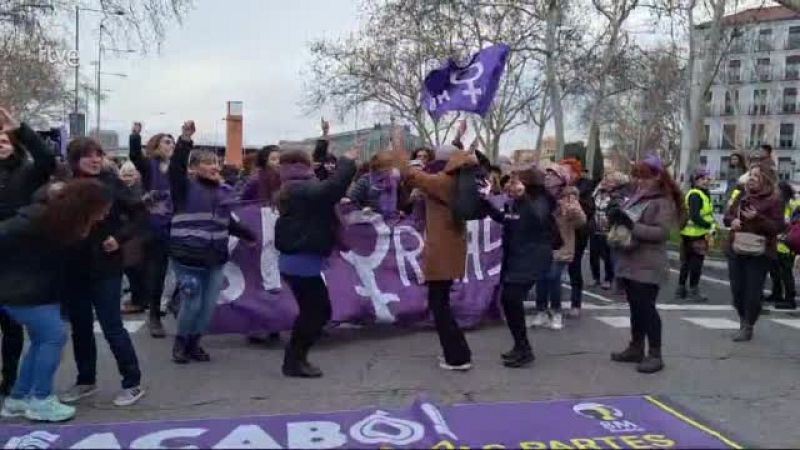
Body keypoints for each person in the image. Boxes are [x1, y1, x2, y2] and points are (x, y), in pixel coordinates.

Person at [0, 179, 112, 422]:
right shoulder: (40, 219)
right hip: (24, 291)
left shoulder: (59, 220)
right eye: (102, 210)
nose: (104, 216)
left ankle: (20, 397)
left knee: (43, 339)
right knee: (53, 336)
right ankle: (41, 399)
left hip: (36, 290)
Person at [61, 137, 147, 407]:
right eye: (88, 155)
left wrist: (119, 238)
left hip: (106, 267)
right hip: (73, 266)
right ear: (75, 159)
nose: (95, 160)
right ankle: (86, 380)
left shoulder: (113, 184)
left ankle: (132, 382)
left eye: (98, 154)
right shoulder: (63, 186)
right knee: (81, 327)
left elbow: (140, 215)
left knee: (112, 326)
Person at [168, 141, 257, 364]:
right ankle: (180, 344)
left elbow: (228, 222)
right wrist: (185, 141)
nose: (214, 167)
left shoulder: (223, 192)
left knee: (208, 307)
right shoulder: (184, 188)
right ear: (194, 168)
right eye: (208, 163)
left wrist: (249, 236)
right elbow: (175, 167)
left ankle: (194, 344)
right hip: (187, 258)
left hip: (214, 259)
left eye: (216, 163)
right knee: (193, 303)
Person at [275, 145, 359, 378]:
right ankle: (294, 360)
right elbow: (330, 190)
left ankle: (296, 358)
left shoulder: (294, 186)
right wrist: (347, 161)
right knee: (316, 312)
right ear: (305, 164)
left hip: (301, 259)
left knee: (315, 311)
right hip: (301, 260)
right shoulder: (300, 188)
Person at [402, 144, 478, 371]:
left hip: (441, 251)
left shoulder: (444, 182)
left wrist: (402, 155)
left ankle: (457, 357)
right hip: (451, 249)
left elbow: (414, 176)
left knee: (440, 306)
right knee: (442, 303)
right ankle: (459, 352)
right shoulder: (459, 179)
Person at [0, 107, 55, 401]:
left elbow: (47, 159)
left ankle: (11, 385)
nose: (0, 143)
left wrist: (20, 127)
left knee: (12, 331)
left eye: (5, 139)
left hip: (15, 264)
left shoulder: (27, 174)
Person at [609, 155, 683, 374]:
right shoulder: (637, 197)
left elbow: (662, 233)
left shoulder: (663, 201)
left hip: (649, 262)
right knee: (635, 307)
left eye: (645, 177)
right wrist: (615, 216)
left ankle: (655, 353)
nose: (640, 181)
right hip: (630, 259)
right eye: (638, 177)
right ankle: (636, 346)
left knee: (647, 308)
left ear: (658, 177)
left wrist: (631, 224)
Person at [486, 168, 556, 367]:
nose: (509, 185)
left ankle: (524, 349)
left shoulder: (542, 200)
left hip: (532, 258)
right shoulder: (516, 203)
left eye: (515, 182)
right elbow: (508, 220)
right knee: (509, 301)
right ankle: (520, 345)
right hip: (516, 256)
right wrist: (487, 207)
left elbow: (537, 217)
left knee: (511, 297)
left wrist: (523, 198)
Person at [724, 165, 783, 341]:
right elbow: (728, 216)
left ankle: (748, 325)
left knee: (753, 291)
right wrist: (732, 221)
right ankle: (743, 320)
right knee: (737, 290)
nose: (751, 178)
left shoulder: (774, 200)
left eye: (756, 176)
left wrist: (757, 218)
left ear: (765, 179)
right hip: (736, 247)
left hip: (759, 252)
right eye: (750, 175)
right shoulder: (742, 195)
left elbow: (778, 227)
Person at [129, 123, 177, 337]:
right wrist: (135, 136)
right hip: (152, 227)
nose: (171, 145)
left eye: (173, 142)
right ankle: (154, 315)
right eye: (167, 142)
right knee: (156, 272)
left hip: (176, 224)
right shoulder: (150, 166)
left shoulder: (178, 169)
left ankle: (173, 304)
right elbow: (135, 157)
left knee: (180, 270)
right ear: (157, 146)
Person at [531, 164, 586, 329]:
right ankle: (541, 311)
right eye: (547, 174)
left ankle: (556, 312)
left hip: (561, 245)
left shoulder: (569, 198)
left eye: (552, 175)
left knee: (553, 277)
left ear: (561, 180)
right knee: (541, 278)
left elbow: (581, 221)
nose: (548, 177)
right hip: (542, 245)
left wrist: (571, 212)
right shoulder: (540, 196)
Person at [559, 158, 595, 316]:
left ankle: (575, 303)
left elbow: (588, 210)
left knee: (574, 267)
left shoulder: (584, 188)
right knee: (553, 269)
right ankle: (552, 302)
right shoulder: (558, 186)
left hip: (578, 233)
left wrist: (574, 200)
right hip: (560, 231)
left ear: (575, 173)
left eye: (566, 171)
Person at [676, 169, 716, 303]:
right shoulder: (696, 195)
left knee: (686, 263)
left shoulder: (701, 194)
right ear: (696, 181)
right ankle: (693, 290)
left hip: (690, 234)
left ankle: (681, 289)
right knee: (695, 264)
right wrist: (708, 226)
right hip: (696, 234)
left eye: (707, 179)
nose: (706, 181)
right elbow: (695, 215)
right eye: (703, 179)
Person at [590, 171, 629, 292]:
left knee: (608, 256)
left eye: (610, 180)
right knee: (593, 254)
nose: (606, 181)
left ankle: (609, 279)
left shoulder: (618, 196)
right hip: (595, 226)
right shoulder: (598, 191)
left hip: (609, 229)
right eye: (605, 179)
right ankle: (595, 277)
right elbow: (592, 201)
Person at [118, 162, 148, 315]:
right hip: (130, 233)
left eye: (130, 175)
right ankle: (139, 299)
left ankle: (139, 301)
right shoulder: (126, 190)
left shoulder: (137, 191)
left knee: (134, 268)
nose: (126, 178)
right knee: (132, 268)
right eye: (124, 175)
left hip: (135, 234)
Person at [768, 182, 799, 310]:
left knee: (786, 272)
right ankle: (777, 294)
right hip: (779, 242)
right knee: (776, 271)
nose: (774, 192)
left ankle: (790, 299)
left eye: (776, 190)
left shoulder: (792, 204)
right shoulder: (780, 203)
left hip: (787, 243)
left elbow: (794, 224)